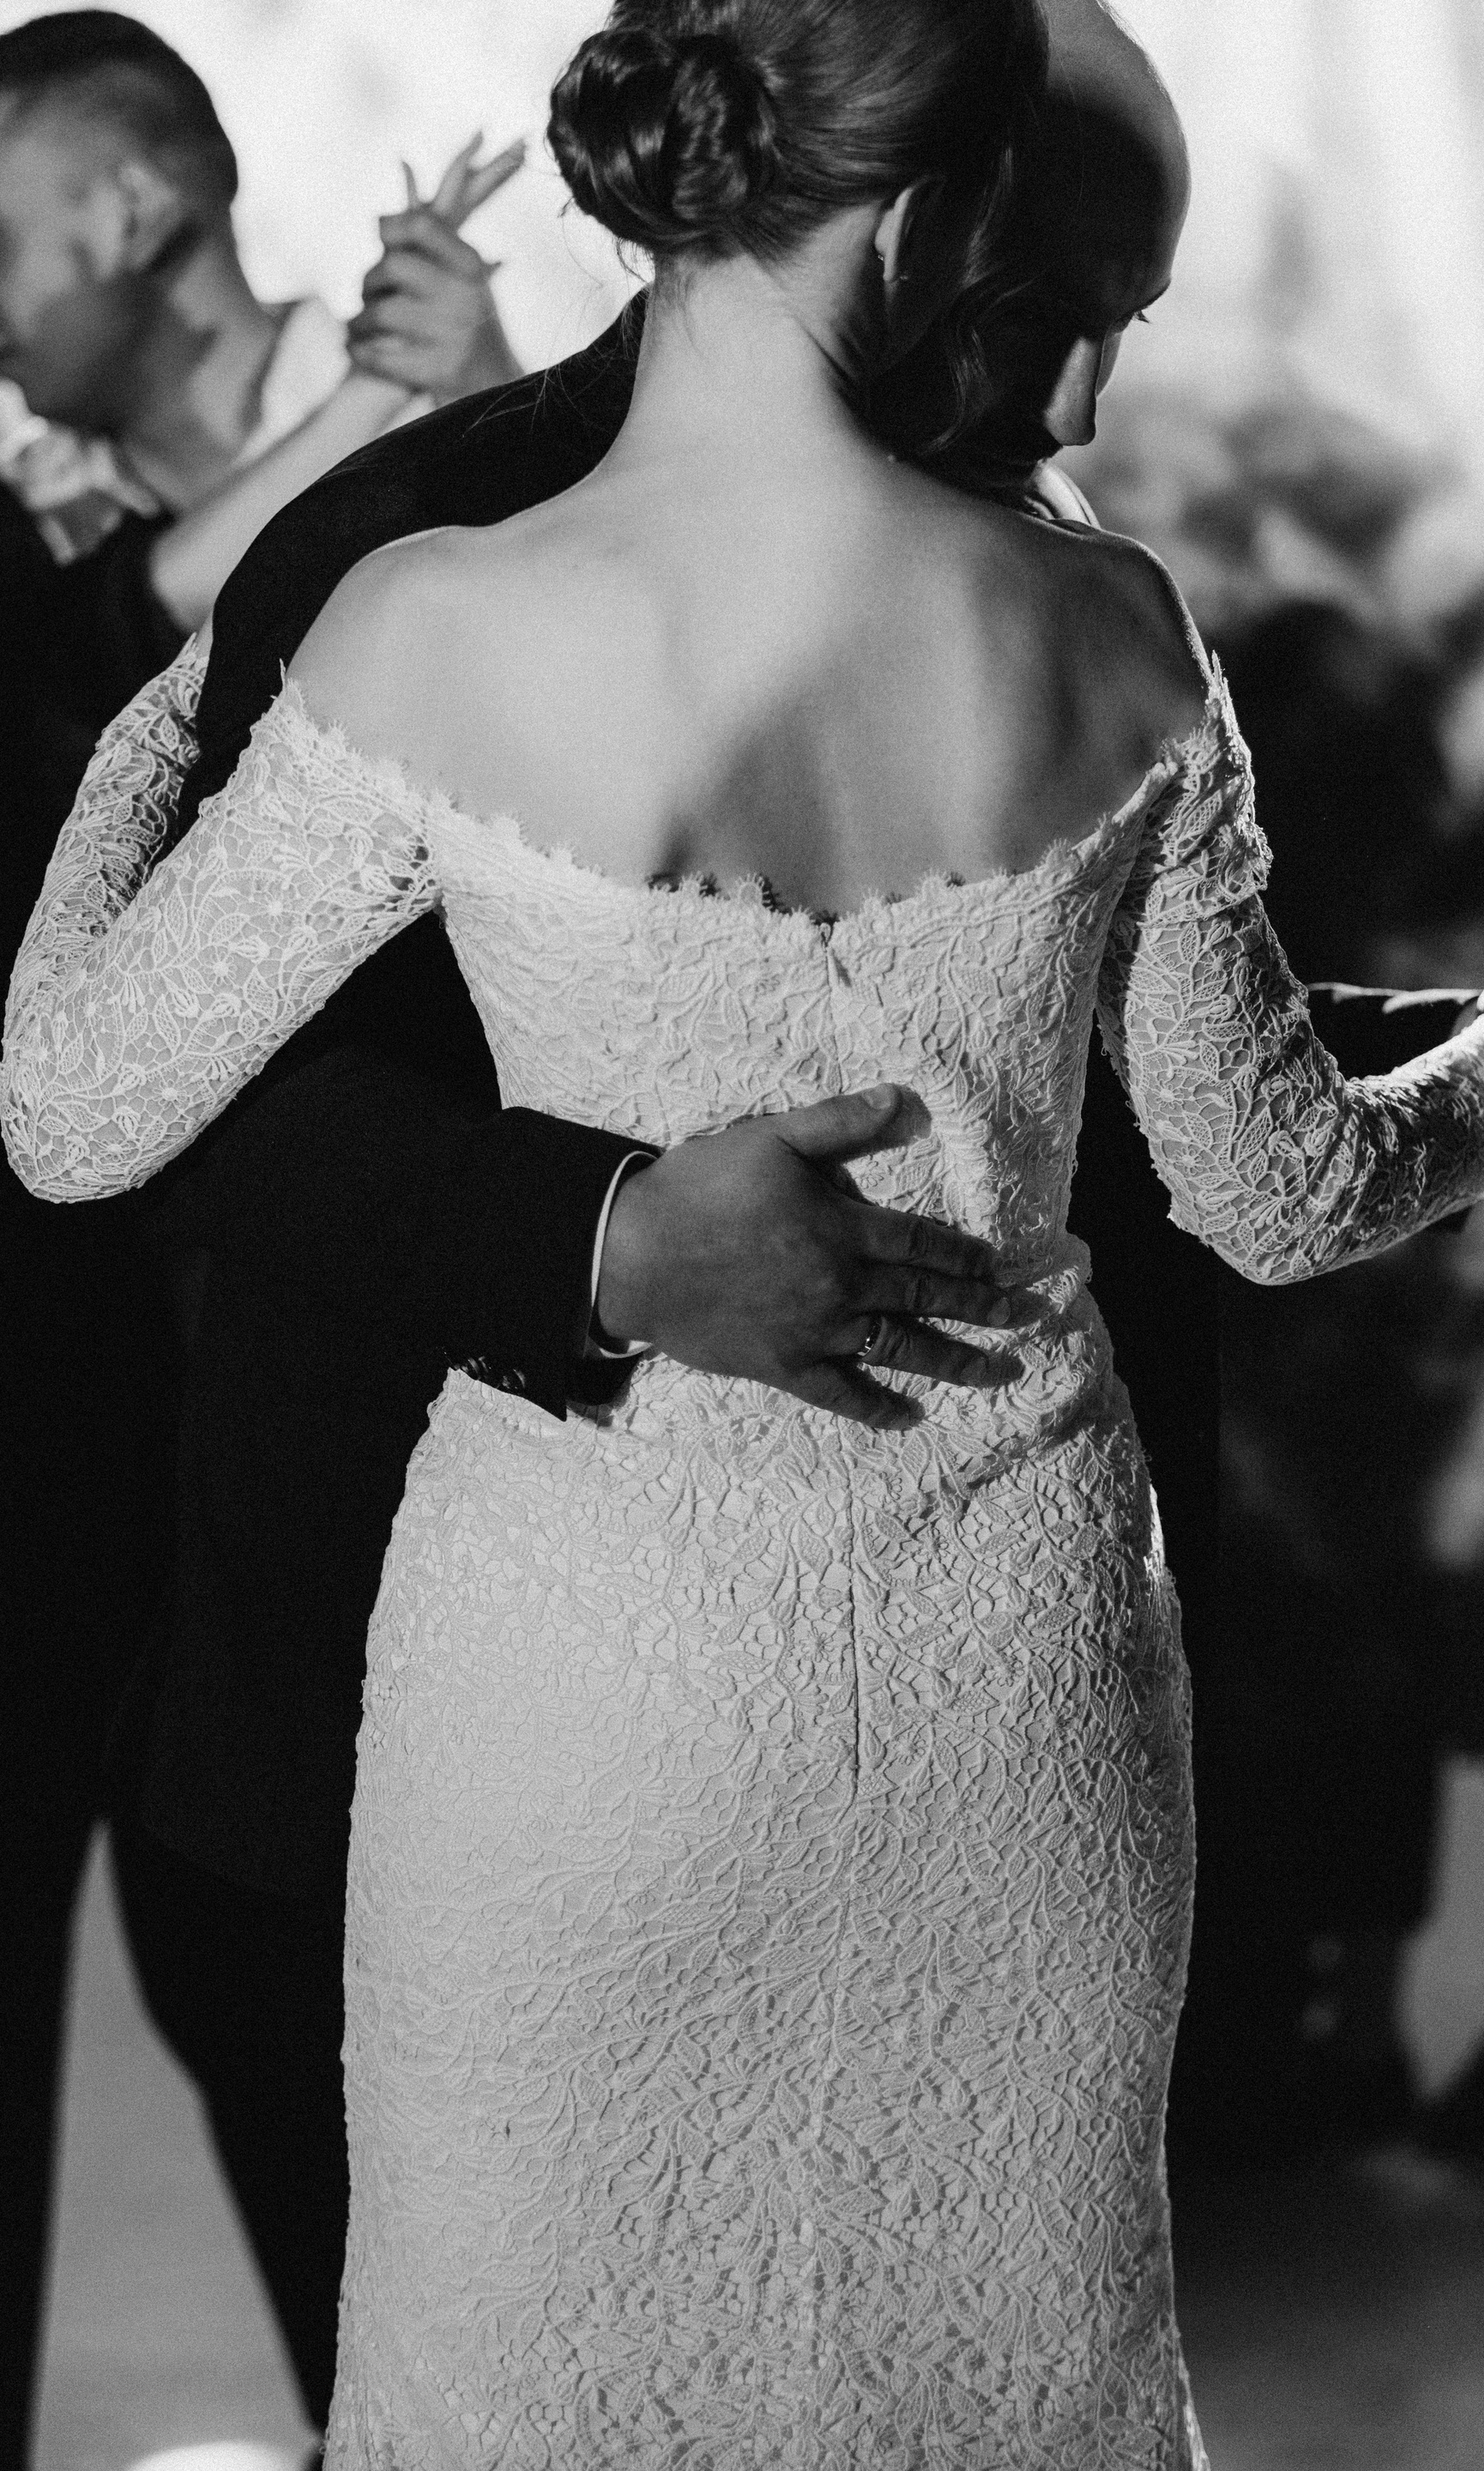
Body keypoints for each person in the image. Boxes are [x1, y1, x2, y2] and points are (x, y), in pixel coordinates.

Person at [15, 3, 1484, 2460]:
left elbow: (70, 1112)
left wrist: (151, 714)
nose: (1086, 391)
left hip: (572, 1698)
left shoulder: (422, 616)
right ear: (922, 223)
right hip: (1012, 1689)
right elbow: (1276, 1179)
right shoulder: (1108, 631)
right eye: (1056, 289)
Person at [0, 10, 527, 2454]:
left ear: (131, 210)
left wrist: (483, 428)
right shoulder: (70, 538)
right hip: (99, 1448)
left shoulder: (481, 449)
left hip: (400, 1395)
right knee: (220, 1983)